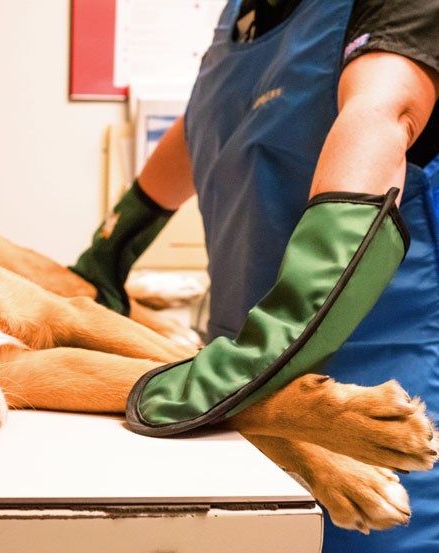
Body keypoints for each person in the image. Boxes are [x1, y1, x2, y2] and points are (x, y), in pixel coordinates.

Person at [70, 0, 439, 551]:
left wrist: (252, 361)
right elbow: (203, 132)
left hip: (376, 394)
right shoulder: (238, 18)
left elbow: (380, 115)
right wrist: (102, 263)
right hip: (246, 412)